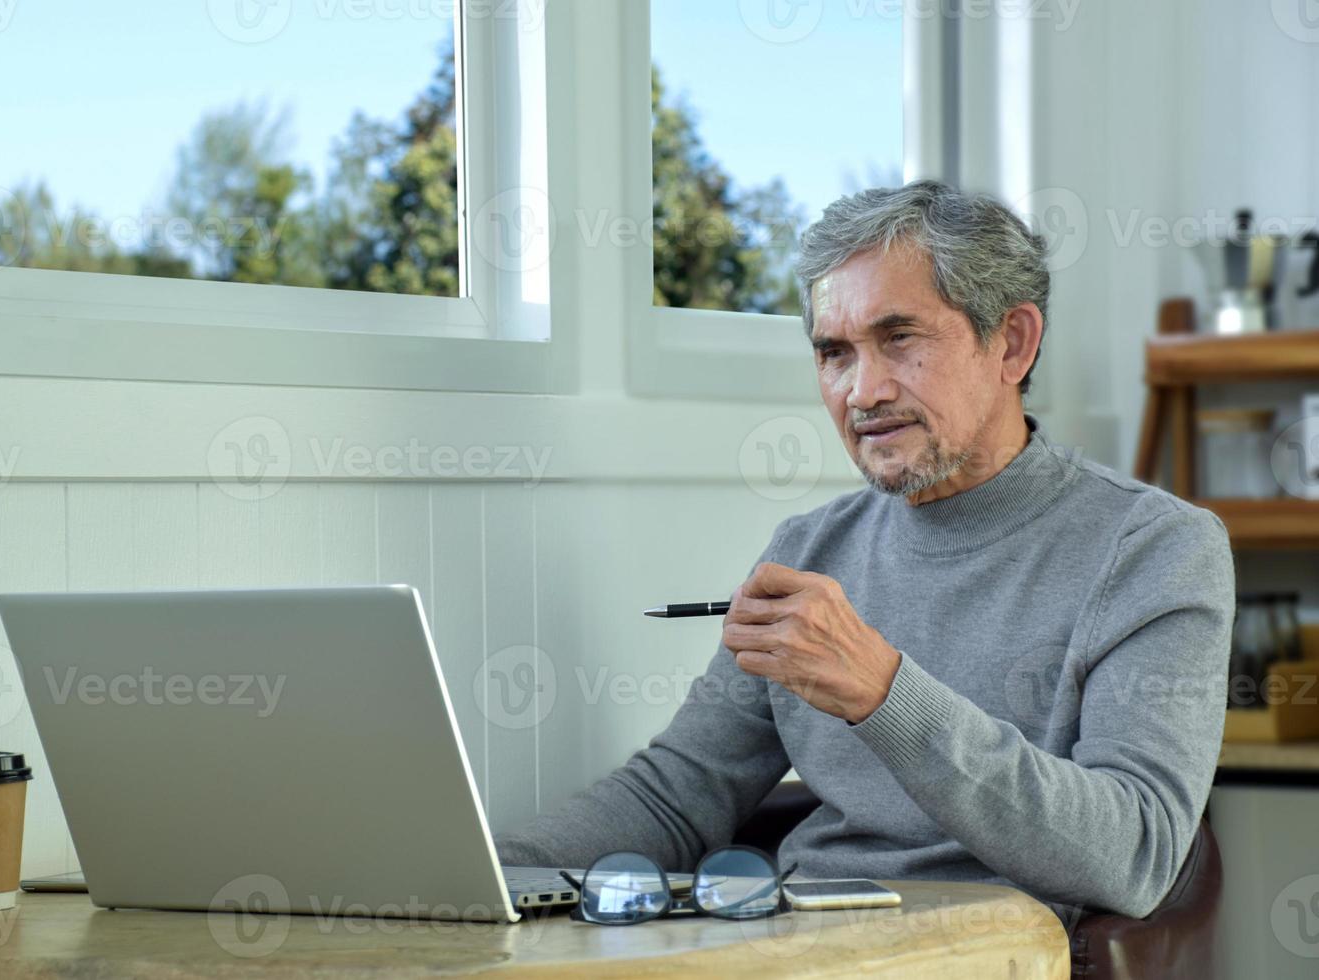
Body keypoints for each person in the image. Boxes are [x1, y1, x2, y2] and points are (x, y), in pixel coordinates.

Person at [493, 180, 1236, 931]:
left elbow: (1136, 855)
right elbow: (677, 796)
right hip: (792, 948)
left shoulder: (1155, 550)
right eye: (834, 354)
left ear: (1011, 343)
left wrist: (883, 692)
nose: (863, 391)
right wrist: (476, 875)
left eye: (900, 339)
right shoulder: (812, 549)